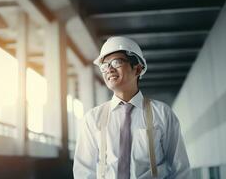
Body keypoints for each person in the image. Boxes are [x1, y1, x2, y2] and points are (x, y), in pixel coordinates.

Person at [73, 36, 190, 179]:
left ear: (138, 69)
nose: (109, 69)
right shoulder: (92, 119)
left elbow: (180, 169)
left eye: (116, 62)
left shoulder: (162, 114)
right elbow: (83, 172)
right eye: (104, 65)